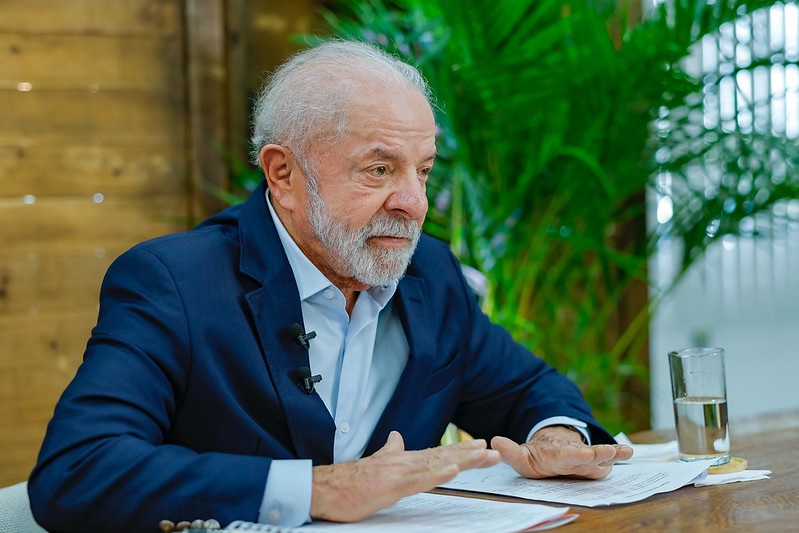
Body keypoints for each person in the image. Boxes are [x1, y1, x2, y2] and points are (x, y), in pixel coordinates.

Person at [28, 40, 632, 532]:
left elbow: (527, 388)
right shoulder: (175, 282)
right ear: (283, 174)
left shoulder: (430, 273)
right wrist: (318, 489)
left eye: (423, 171)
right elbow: (77, 471)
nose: (414, 203)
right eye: (379, 169)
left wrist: (556, 435)